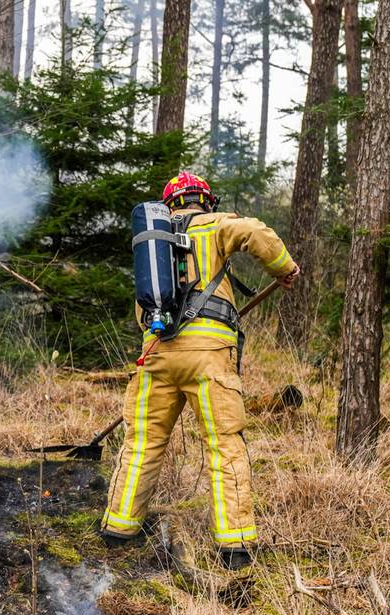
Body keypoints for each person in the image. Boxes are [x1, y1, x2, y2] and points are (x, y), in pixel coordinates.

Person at [99, 172, 300, 570]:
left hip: (156, 357)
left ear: (169, 203)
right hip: (208, 358)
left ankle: (119, 526)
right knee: (224, 444)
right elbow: (256, 233)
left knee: (143, 443)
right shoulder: (216, 224)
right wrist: (285, 269)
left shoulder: (150, 243)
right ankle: (235, 544)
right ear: (204, 200)